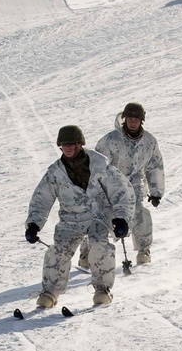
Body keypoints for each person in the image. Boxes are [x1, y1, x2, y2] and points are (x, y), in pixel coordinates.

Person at [25, 125, 135, 308]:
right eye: (64, 145)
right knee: (58, 250)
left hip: (98, 217)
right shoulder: (55, 172)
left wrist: (122, 218)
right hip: (71, 220)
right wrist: (34, 224)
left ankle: (102, 289)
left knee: (99, 244)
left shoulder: (100, 165)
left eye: (71, 144)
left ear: (79, 145)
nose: (67, 148)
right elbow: (41, 198)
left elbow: (122, 191)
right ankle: (50, 292)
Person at [81, 102, 165, 267]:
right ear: (124, 119)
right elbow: (98, 166)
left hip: (135, 182)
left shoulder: (149, 141)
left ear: (142, 120)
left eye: (137, 119)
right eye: (130, 118)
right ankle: (87, 254)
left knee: (140, 211)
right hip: (110, 183)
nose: (133, 122)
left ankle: (143, 250)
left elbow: (155, 165)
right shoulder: (110, 140)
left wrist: (156, 191)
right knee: (99, 217)